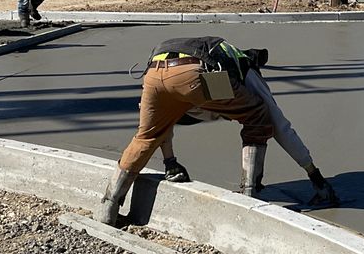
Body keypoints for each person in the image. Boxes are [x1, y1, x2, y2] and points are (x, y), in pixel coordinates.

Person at [96, 36, 275, 226]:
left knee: (147, 136)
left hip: (154, 74)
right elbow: (220, 94)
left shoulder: (212, 46)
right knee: (257, 114)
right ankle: (250, 192)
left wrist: (170, 162)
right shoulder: (237, 61)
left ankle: (108, 207)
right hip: (193, 72)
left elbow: (165, 125)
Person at [158, 47, 338, 206]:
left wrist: (170, 161)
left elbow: (157, 123)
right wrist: (313, 173)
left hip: (159, 71)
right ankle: (250, 190)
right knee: (258, 118)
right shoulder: (248, 71)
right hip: (203, 74)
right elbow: (280, 127)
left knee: (161, 117)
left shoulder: (222, 57)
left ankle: (170, 166)